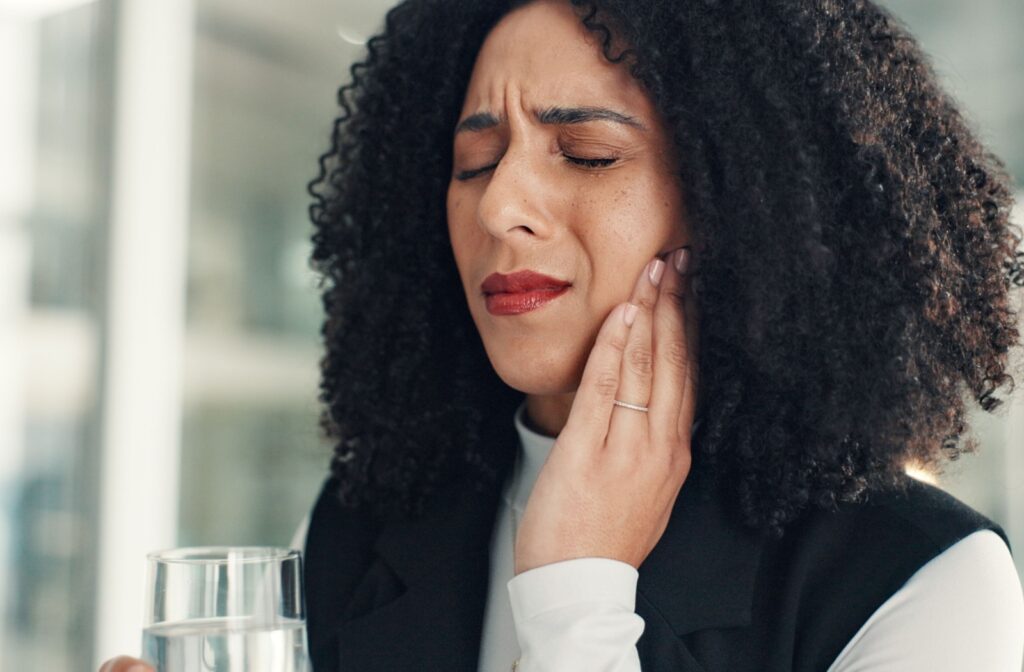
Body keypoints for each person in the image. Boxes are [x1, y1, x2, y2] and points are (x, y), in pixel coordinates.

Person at [102, 0, 1024, 670]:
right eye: (473, 162)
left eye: (586, 154)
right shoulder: (365, 520)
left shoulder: (917, 583)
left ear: (747, 205)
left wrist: (577, 594)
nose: (501, 206)